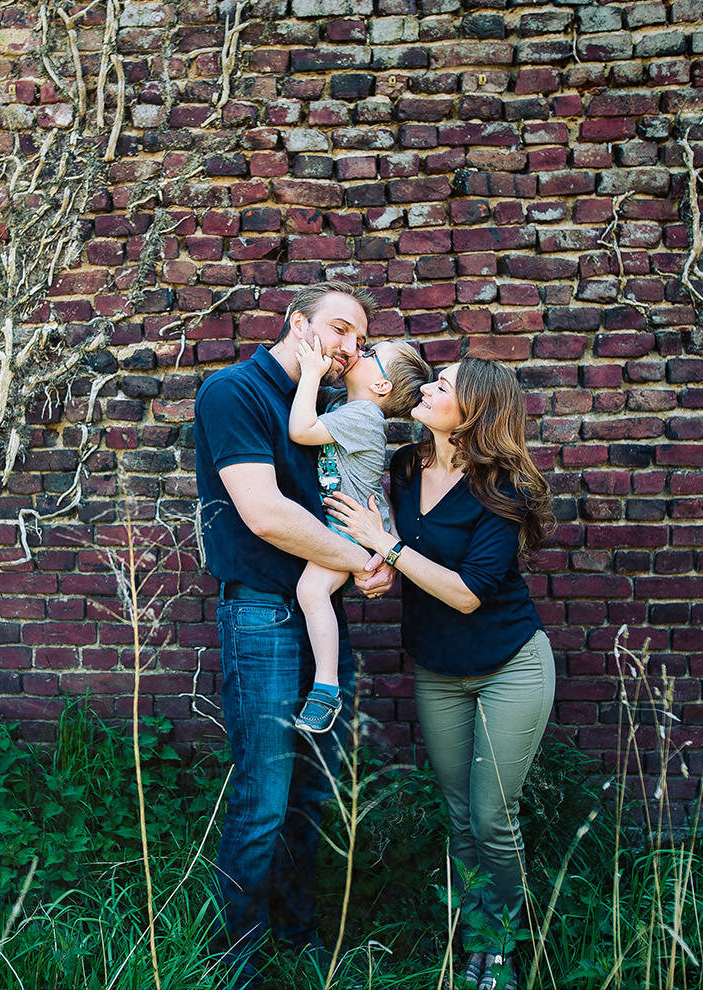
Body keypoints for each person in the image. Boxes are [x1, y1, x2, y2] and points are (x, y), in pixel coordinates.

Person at [326, 355, 556, 990]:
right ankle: (469, 941)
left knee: (492, 817)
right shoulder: (404, 466)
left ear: (474, 410)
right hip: (439, 669)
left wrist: (390, 549)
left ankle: (497, 948)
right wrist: (372, 566)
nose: (425, 388)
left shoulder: (504, 490)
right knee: (459, 815)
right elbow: (379, 534)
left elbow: (466, 593)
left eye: (442, 385)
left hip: (511, 666)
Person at [193, 280, 397, 988]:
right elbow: (266, 514)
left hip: (320, 618)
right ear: (297, 323)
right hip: (262, 617)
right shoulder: (234, 393)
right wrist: (365, 563)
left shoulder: (334, 406)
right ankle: (233, 962)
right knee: (264, 796)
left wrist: (378, 550)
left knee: (313, 794)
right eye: (340, 331)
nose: (349, 349)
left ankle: (297, 934)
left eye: (360, 342)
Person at [288, 336, 430, 733]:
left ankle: (326, 688)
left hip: (353, 529)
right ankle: (324, 682)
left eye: (369, 355)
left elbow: (301, 429)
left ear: (382, 387)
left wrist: (313, 373)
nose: (359, 353)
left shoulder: (365, 414)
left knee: (311, 591)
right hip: (348, 522)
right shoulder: (344, 404)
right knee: (316, 595)